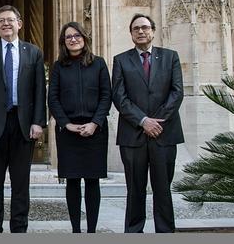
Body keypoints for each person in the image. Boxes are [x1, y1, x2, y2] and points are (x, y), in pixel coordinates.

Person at [0, 5, 46, 233]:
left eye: (10, 20)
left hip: (23, 126)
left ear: (19, 24)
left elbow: (39, 90)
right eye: (1, 20)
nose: (6, 23)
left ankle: (19, 229)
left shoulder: (33, 52)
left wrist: (38, 121)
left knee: (21, 184)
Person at [112, 13, 184, 233]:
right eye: (136, 29)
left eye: (144, 27)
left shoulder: (170, 57)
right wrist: (143, 121)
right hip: (133, 136)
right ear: (131, 33)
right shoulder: (121, 60)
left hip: (164, 133)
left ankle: (165, 232)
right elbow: (119, 97)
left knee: (163, 189)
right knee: (135, 189)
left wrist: (156, 122)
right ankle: (134, 232)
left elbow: (177, 92)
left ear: (153, 31)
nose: (141, 31)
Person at [47, 22, 111, 233]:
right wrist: (67, 124)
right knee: (72, 182)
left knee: (93, 182)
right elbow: (53, 98)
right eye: (68, 37)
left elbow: (106, 96)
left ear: (84, 38)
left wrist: (94, 123)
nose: (73, 39)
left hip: (95, 132)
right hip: (69, 133)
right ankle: (76, 230)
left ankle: (91, 231)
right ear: (63, 42)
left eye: (77, 36)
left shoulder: (99, 64)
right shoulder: (58, 67)